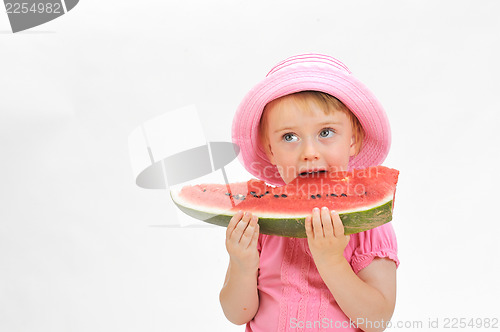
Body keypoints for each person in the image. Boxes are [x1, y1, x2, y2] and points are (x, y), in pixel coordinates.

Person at [220, 54, 399, 332]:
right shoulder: (261, 221)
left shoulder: (369, 222)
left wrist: (331, 261)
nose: (309, 153)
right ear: (270, 150)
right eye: (289, 137)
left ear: (353, 139)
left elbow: (375, 320)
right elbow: (236, 313)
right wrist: (242, 264)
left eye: (326, 132)